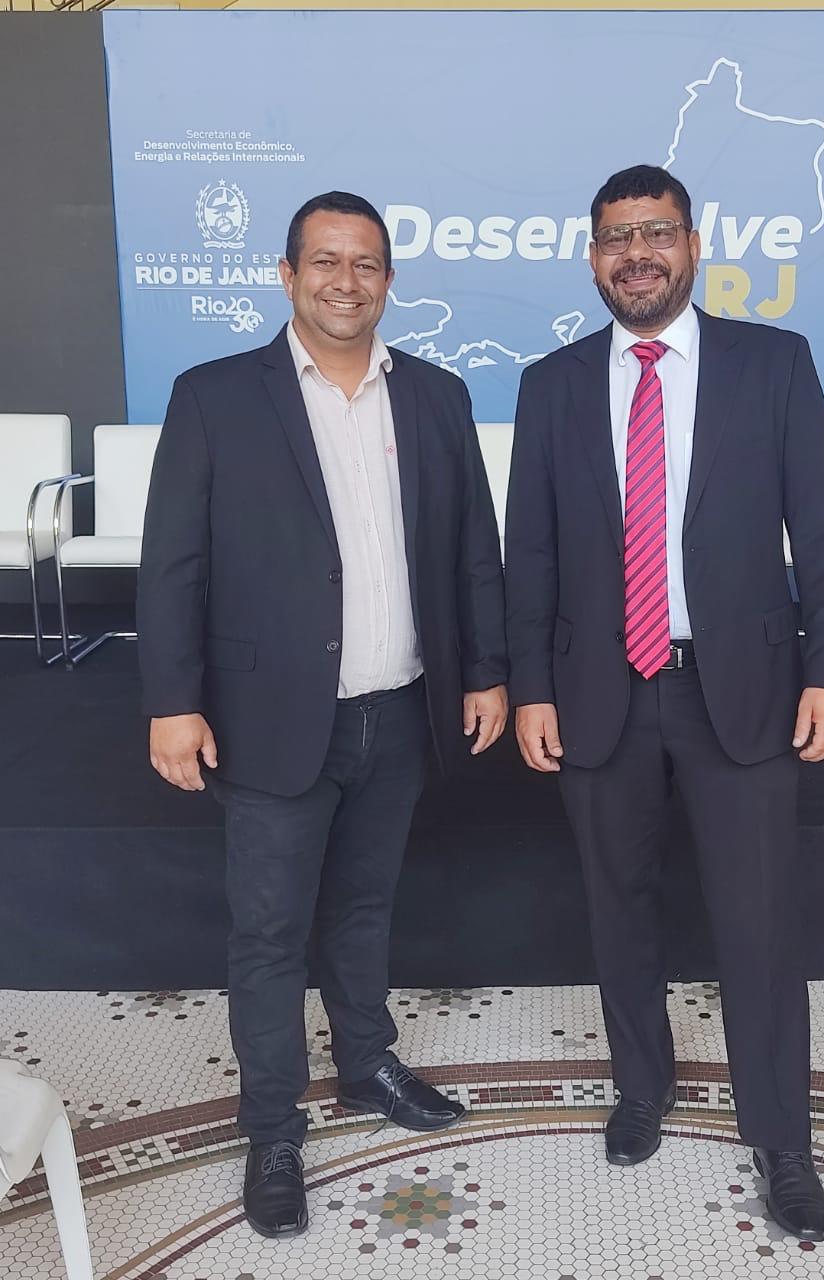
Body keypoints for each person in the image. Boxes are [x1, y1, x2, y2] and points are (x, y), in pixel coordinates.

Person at [138, 191, 508, 1239]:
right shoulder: (214, 395)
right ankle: (272, 1129)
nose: (347, 281)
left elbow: (471, 548)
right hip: (269, 717)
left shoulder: (435, 395)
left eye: (366, 263)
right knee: (268, 933)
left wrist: (485, 671)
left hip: (401, 708)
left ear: (388, 279)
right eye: (326, 261)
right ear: (287, 273)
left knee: (362, 907)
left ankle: (365, 1062)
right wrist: (172, 702)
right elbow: (172, 564)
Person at [504, 165, 824, 1242]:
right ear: (592, 258)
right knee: (618, 905)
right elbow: (530, 553)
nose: (637, 254)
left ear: (693, 245)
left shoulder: (773, 364)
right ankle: (640, 1087)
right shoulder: (552, 383)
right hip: (598, 689)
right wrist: (531, 687)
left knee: (759, 922)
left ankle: (781, 1138)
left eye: (655, 232)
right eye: (616, 238)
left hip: (740, 687)